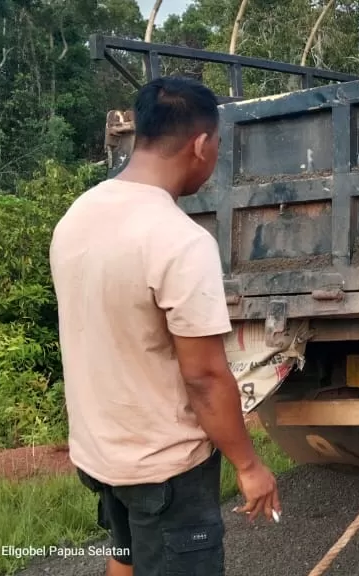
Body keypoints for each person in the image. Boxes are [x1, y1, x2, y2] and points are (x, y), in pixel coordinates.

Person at [50, 76, 280, 576]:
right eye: (217, 145)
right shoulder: (180, 240)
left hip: (102, 456)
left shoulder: (76, 216)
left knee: (125, 556)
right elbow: (204, 378)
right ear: (200, 145)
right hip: (165, 468)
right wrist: (249, 466)